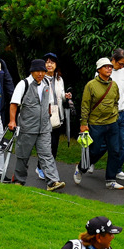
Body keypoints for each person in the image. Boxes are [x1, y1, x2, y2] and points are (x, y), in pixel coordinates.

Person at [8, 59, 65, 191]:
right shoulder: (24, 84)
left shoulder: (46, 84)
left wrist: (48, 117)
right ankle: (18, 180)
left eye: (43, 71)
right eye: (37, 71)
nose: (40, 73)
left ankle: (52, 181)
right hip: (27, 127)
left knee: (47, 154)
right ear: (32, 71)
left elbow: (49, 103)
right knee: (23, 155)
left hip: (44, 127)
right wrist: (12, 121)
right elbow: (14, 104)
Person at [75, 58, 124, 190]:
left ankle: (111, 180)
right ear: (99, 70)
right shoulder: (90, 85)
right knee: (95, 150)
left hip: (112, 122)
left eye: (110, 67)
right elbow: (85, 105)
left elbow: (116, 101)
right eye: (106, 67)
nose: (109, 69)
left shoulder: (113, 85)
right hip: (96, 124)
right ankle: (80, 168)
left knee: (115, 150)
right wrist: (83, 123)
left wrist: (115, 115)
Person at [40, 53, 73, 181]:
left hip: (57, 115)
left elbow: (60, 96)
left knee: (54, 143)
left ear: (56, 65)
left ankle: (49, 167)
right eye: (47, 62)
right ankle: (42, 167)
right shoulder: (40, 78)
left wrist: (66, 96)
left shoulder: (59, 79)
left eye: (52, 62)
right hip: (44, 114)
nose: (49, 64)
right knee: (45, 143)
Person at [111, 49, 124, 177]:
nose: (122, 66)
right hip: (109, 113)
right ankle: (90, 161)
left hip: (122, 111)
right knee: (103, 144)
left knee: (123, 143)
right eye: (120, 63)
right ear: (113, 59)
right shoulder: (104, 70)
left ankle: (117, 169)